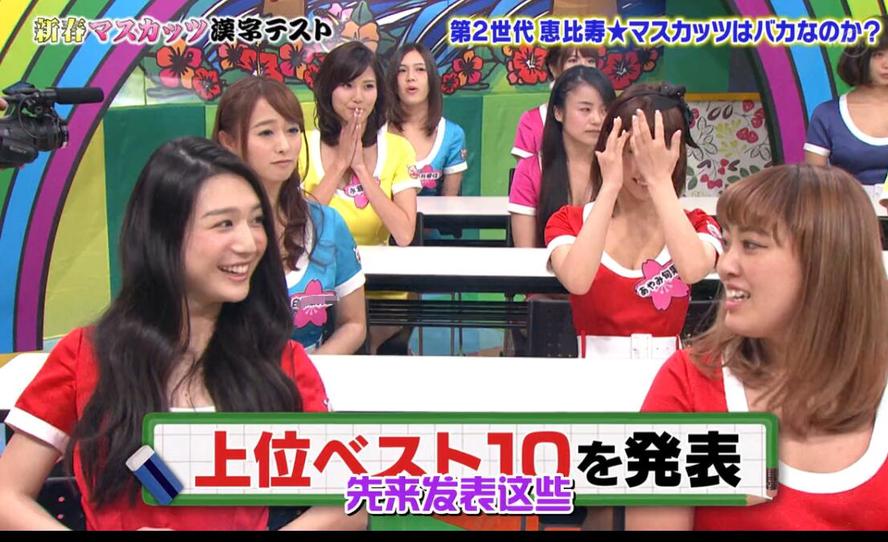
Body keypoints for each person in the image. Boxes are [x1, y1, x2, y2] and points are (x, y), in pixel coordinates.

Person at [0, 137, 365, 530]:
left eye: (257, 220)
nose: (249, 243)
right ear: (163, 235)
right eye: (224, 224)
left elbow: (348, 506)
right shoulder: (85, 356)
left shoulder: (282, 362)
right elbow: (7, 496)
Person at [627, 164, 888, 530]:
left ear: (826, 262)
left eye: (751, 245)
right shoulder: (688, 382)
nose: (725, 265)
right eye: (727, 243)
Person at [545, 82, 722, 359]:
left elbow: (693, 271)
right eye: (630, 151)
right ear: (610, 147)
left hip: (668, 375)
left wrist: (660, 180)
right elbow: (577, 280)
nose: (642, 168)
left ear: (676, 154)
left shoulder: (697, 224)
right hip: (592, 375)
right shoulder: (569, 221)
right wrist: (609, 186)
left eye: (654, 154)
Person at [213, 76, 366, 354]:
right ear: (228, 142)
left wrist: (306, 369)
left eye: (293, 130)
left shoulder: (327, 225)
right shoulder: (207, 231)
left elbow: (354, 324)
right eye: (266, 133)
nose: (284, 145)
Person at [301, 40, 420, 353]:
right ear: (328, 90)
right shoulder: (301, 146)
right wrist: (340, 164)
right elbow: (298, 226)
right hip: (318, 289)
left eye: (368, 86)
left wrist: (362, 171)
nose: (358, 97)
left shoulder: (398, 149)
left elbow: (404, 233)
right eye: (347, 85)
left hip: (381, 293)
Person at [508, 65, 616, 248]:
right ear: (558, 112)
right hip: (546, 265)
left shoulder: (619, 167)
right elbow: (526, 252)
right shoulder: (530, 170)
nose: (597, 119)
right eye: (585, 110)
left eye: (604, 110)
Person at [805, 15, 888, 190]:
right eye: (878, 55)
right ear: (860, 58)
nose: (886, 64)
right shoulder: (828, 114)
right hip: (848, 206)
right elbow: (813, 185)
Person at [386, 42, 468, 198]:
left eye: (420, 69)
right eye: (402, 70)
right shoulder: (377, 132)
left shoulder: (452, 135)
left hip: (437, 215)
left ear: (432, 79)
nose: (410, 77)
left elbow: (450, 203)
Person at [511, 45, 600, 161]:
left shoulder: (605, 118)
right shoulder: (532, 120)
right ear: (553, 68)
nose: (583, 67)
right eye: (573, 60)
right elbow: (525, 170)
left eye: (590, 61)